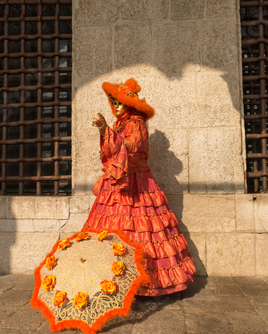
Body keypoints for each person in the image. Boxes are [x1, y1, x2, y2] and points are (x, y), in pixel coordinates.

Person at [83, 78, 196, 296]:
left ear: (130, 104)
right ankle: (115, 279)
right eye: (113, 102)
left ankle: (138, 284)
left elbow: (131, 148)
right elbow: (114, 151)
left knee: (142, 230)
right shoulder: (121, 124)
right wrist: (104, 133)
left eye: (120, 102)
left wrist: (106, 130)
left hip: (137, 184)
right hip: (118, 181)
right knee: (115, 226)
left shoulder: (136, 123)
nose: (116, 106)